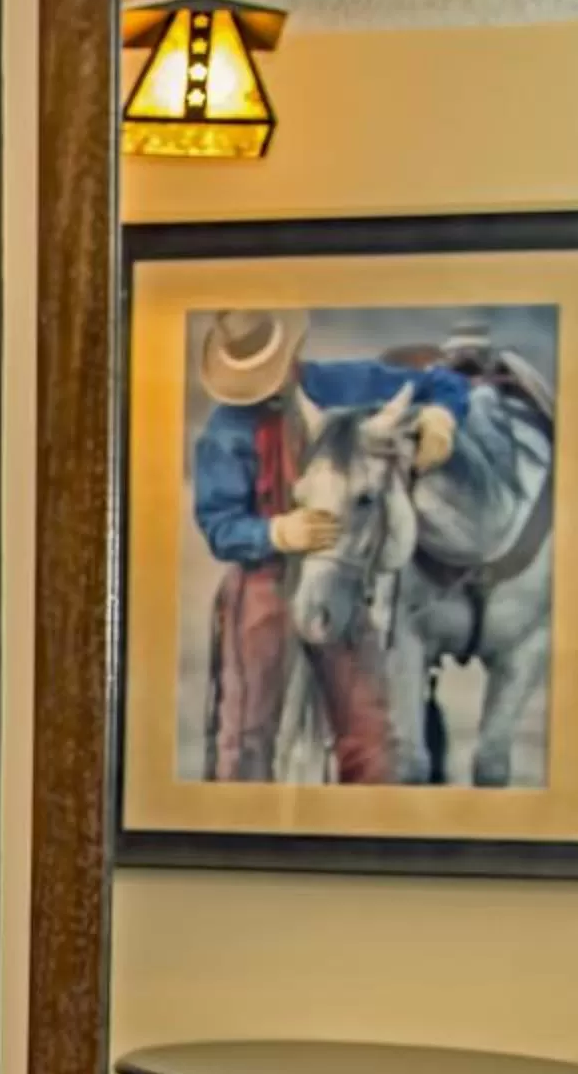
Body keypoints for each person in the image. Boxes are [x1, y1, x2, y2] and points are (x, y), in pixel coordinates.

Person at [190, 309, 465, 785]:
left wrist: (441, 418)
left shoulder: (343, 384)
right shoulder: (226, 431)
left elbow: (441, 383)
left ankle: (362, 836)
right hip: (265, 579)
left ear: (291, 355)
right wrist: (275, 533)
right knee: (245, 732)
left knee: (370, 732)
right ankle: (236, 833)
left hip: (340, 575)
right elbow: (218, 524)